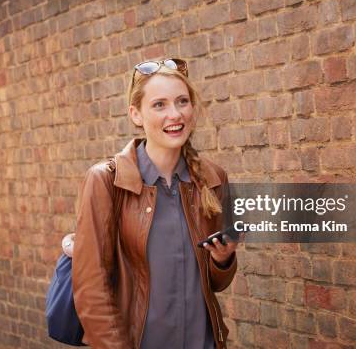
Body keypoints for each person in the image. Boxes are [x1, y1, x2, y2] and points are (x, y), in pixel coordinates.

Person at [64, 58, 239, 349]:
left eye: (182, 101)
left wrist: (223, 260)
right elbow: (91, 292)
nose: (175, 114)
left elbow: (215, 285)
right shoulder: (107, 182)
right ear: (136, 114)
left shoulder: (213, 178)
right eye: (159, 105)